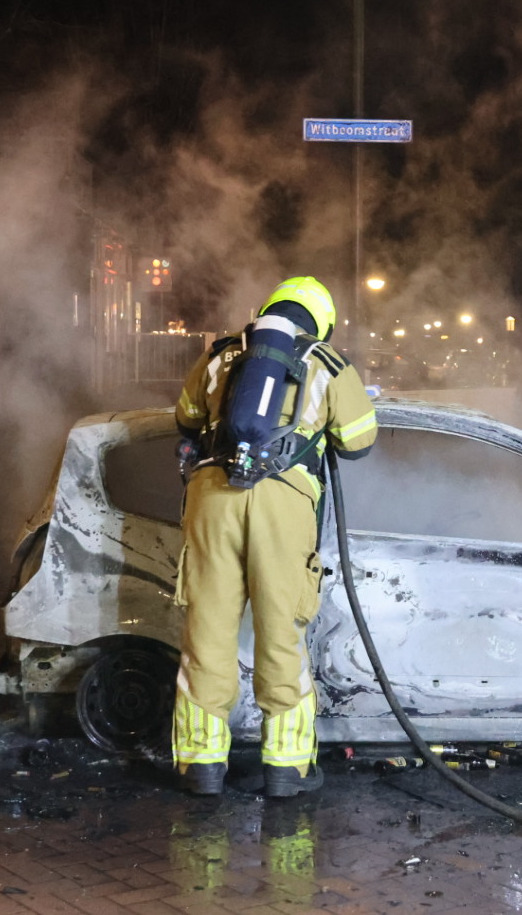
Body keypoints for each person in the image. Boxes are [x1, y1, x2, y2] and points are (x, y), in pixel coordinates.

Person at [170, 276, 376, 797]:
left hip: (213, 498)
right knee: (281, 635)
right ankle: (287, 770)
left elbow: (186, 417)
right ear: (322, 321)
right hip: (283, 503)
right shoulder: (328, 363)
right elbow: (358, 441)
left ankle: (201, 766)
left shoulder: (221, 354)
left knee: (207, 634)